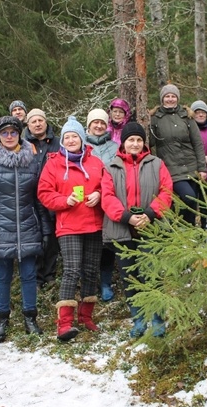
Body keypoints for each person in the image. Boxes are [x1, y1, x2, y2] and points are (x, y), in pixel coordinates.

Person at [0, 116, 50, 342]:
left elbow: (39, 199)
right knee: (2, 276)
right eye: (4, 133)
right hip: (0, 228)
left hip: (28, 225)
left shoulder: (32, 160)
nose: (9, 136)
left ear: (20, 134)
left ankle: (30, 317)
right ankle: (2, 320)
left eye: (13, 132)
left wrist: (46, 230)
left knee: (29, 275)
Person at [101, 122, 173, 337]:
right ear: (123, 142)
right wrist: (127, 217)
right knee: (129, 278)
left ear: (144, 143)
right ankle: (139, 320)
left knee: (152, 275)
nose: (135, 143)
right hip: (122, 230)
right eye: (131, 140)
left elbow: (167, 190)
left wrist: (150, 214)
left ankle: (158, 319)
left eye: (139, 140)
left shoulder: (157, 163)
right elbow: (107, 197)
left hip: (151, 228)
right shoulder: (111, 166)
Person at [38, 117, 105, 341]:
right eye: (66, 137)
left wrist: (100, 194)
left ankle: (86, 317)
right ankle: (64, 324)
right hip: (68, 225)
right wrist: (63, 200)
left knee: (91, 270)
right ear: (62, 141)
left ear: (82, 138)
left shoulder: (95, 162)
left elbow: (109, 185)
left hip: (94, 223)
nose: (70, 140)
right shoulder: (53, 163)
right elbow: (44, 193)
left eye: (74, 136)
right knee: (71, 270)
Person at [149, 84, 207, 225]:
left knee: (193, 203)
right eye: (167, 96)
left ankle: (191, 233)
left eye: (173, 96)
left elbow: (197, 143)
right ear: (162, 99)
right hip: (171, 168)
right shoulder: (155, 118)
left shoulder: (187, 116)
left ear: (177, 98)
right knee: (189, 197)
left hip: (191, 165)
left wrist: (202, 168)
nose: (170, 99)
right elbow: (149, 143)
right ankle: (183, 229)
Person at [23, 108, 61, 288]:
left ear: (46, 122)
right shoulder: (21, 145)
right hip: (30, 198)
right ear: (28, 124)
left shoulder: (58, 143)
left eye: (40, 120)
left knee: (52, 237)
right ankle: (36, 277)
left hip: (53, 196)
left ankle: (50, 274)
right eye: (33, 121)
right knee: (35, 238)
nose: (37, 124)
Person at [86, 108, 120, 302]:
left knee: (107, 243)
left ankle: (106, 283)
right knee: (89, 244)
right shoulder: (79, 145)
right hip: (86, 202)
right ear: (89, 125)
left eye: (101, 123)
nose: (98, 126)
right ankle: (90, 284)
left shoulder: (114, 147)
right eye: (94, 123)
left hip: (108, 200)